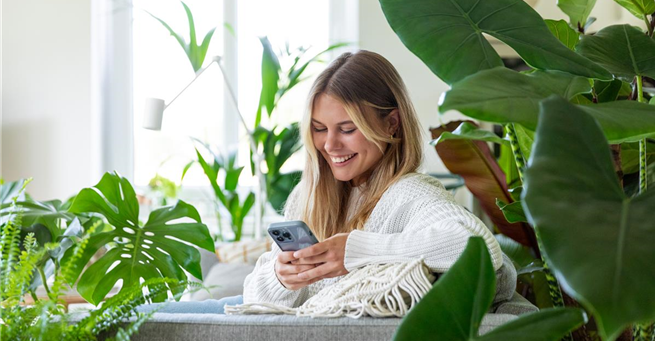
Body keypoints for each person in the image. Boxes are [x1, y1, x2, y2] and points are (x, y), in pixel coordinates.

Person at [242, 50, 508, 309]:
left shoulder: (409, 194)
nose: (330, 145)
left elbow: (480, 247)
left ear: (391, 122)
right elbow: (252, 302)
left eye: (347, 129)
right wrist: (280, 278)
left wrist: (355, 250)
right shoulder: (308, 195)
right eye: (319, 129)